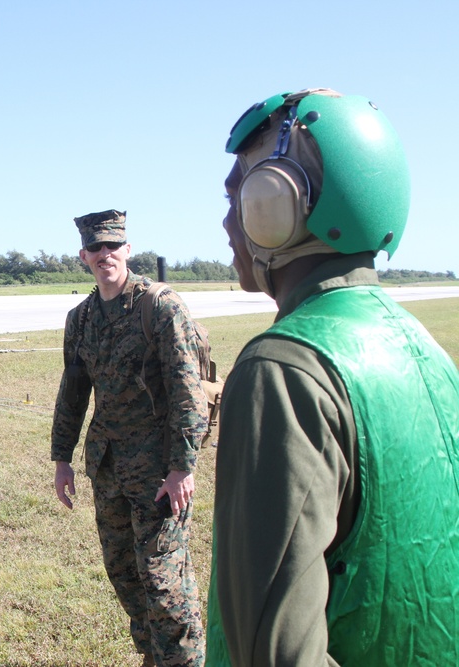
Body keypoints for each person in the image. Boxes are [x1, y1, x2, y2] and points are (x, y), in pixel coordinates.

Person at [207, 89, 459, 666]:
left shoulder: (286, 368)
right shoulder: (428, 352)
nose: (227, 221)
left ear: (281, 203)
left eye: (239, 195)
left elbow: (275, 652)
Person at [51, 209, 209, 667]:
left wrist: (183, 466)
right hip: (109, 466)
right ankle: (153, 658)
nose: (105, 255)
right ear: (84, 256)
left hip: (159, 471)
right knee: (125, 575)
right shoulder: (80, 319)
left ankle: (184, 662)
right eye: (96, 248)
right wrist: (62, 458)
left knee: (163, 579)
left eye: (113, 246)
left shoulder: (159, 307)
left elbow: (187, 390)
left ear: (128, 249)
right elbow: (73, 390)